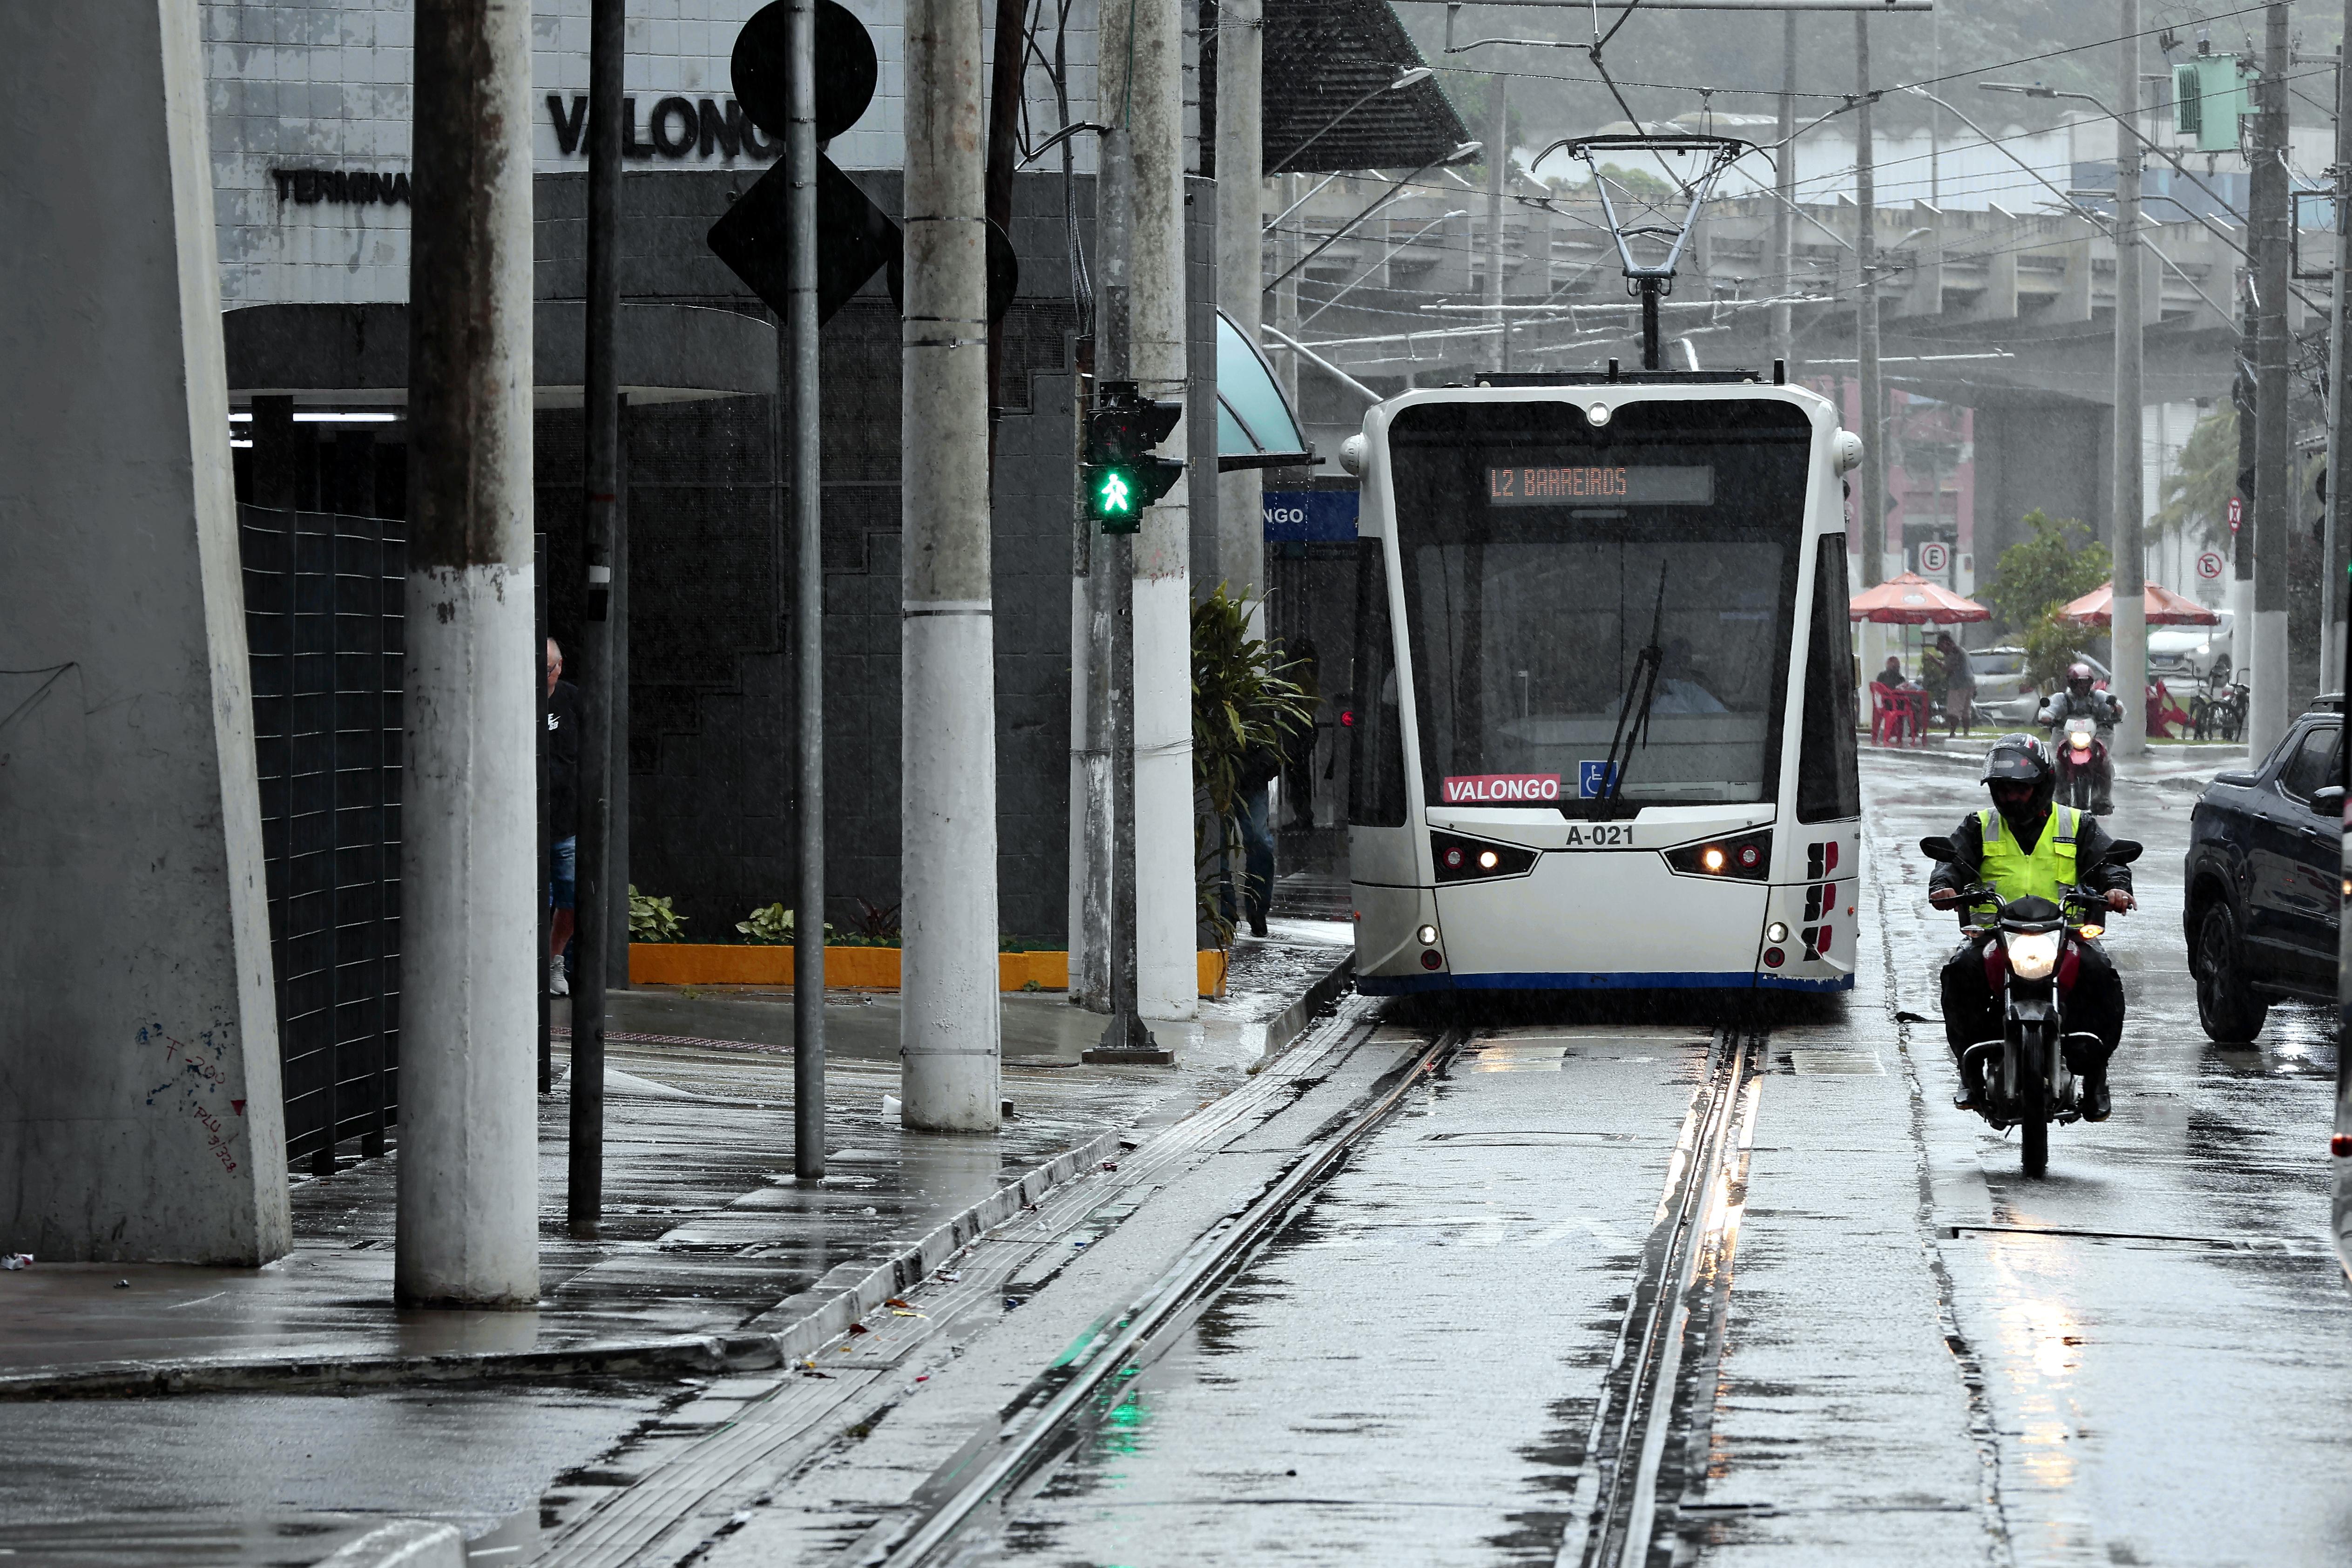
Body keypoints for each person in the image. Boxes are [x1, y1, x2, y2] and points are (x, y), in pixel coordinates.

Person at [1927, 734, 2134, 1121]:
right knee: (1959, 974)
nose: (2010, 799)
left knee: (2102, 977)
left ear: (2042, 787)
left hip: (2065, 934)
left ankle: (2097, 1076)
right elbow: (1952, 860)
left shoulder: (2076, 823)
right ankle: (1969, 1072)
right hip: (1996, 936)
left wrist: (2117, 888)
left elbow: (2109, 862)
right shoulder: (1980, 825)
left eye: (2019, 790)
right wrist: (1944, 885)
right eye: (2002, 791)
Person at [2037, 661, 2123, 814]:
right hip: (2066, 735)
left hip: (2095, 736)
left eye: (2086, 683)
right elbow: (2049, 710)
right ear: (2071, 682)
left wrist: (2116, 709)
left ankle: (2103, 800)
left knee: (2105, 762)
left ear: (2092, 683)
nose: (2082, 687)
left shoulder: (2099, 697)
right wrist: (2046, 717)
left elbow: (2117, 707)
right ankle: (2060, 798)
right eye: (2078, 683)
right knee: (2057, 764)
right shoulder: (2061, 699)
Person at [546, 636, 581, 996]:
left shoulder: (572, 701)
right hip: (525, 823)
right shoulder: (515, 699)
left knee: (571, 897)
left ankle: (554, 960)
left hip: (565, 821)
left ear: (560, 666)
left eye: (548, 670)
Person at [1930, 632, 1974, 736]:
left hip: (1958, 685)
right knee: (1966, 710)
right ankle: (1966, 733)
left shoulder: (1954, 652)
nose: (1942, 651)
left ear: (1946, 643)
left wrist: (1934, 660)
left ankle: (1952, 732)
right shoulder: (1962, 651)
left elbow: (1947, 668)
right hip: (1970, 683)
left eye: (1941, 647)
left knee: (1954, 710)